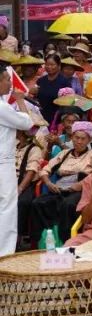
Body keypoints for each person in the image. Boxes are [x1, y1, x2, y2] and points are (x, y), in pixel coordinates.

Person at [33, 121, 92, 242]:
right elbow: (45, 170)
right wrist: (48, 183)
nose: (79, 141)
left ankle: (67, 240)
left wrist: (81, 184)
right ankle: (44, 238)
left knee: (68, 205)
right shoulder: (65, 153)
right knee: (38, 202)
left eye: (83, 139)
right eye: (76, 138)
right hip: (60, 189)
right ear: (72, 138)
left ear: (89, 140)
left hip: (80, 190)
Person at [0, 65, 34, 255]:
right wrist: (21, 100)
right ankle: (4, 253)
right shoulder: (2, 107)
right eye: (7, 79)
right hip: (3, 163)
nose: (10, 84)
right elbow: (26, 123)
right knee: (7, 207)